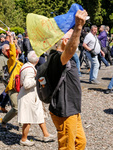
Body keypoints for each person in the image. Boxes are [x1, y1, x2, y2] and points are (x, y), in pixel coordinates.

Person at [48, 10, 87, 149]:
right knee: (67, 147)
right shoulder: (56, 58)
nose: (77, 41)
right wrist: (78, 27)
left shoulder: (64, 58)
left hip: (73, 109)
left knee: (80, 143)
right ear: (65, 42)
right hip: (64, 111)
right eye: (73, 38)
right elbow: (70, 49)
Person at [18, 51, 55, 146]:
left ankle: (46, 135)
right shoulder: (30, 69)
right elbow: (26, 84)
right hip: (28, 96)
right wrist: (37, 80)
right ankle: (23, 139)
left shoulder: (26, 66)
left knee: (40, 114)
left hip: (32, 95)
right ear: (37, 60)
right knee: (27, 118)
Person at [0, 32, 23, 128]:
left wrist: (13, 39)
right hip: (13, 87)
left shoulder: (20, 63)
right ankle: (4, 121)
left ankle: (22, 125)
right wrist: (11, 40)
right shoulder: (11, 62)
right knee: (16, 108)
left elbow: (19, 51)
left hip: (21, 87)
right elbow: (13, 53)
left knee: (22, 107)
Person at [0, 44, 10, 113]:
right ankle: (2, 104)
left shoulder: (7, 57)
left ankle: (2, 104)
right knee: (9, 90)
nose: (8, 51)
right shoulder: (1, 59)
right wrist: (3, 79)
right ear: (2, 51)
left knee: (8, 91)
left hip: (9, 77)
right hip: (6, 78)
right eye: (7, 50)